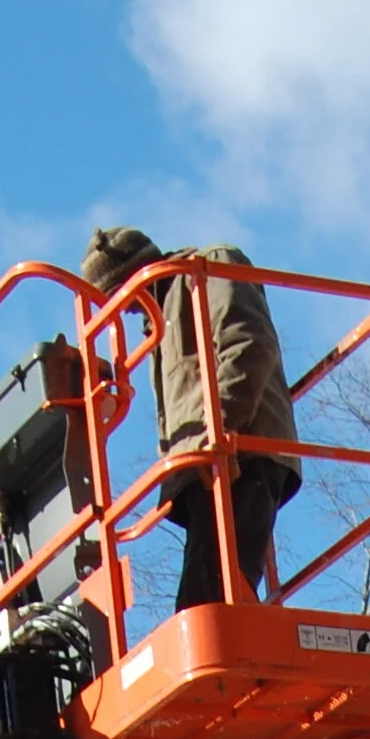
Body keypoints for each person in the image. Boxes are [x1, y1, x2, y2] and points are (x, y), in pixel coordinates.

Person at [80, 226, 301, 613]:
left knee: (210, 605)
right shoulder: (161, 321)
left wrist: (220, 429)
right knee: (202, 604)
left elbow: (249, 344)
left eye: (118, 296)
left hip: (238, 456)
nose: (125, 311)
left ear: (136, 274)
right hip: (206, 468)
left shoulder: (207, 270)